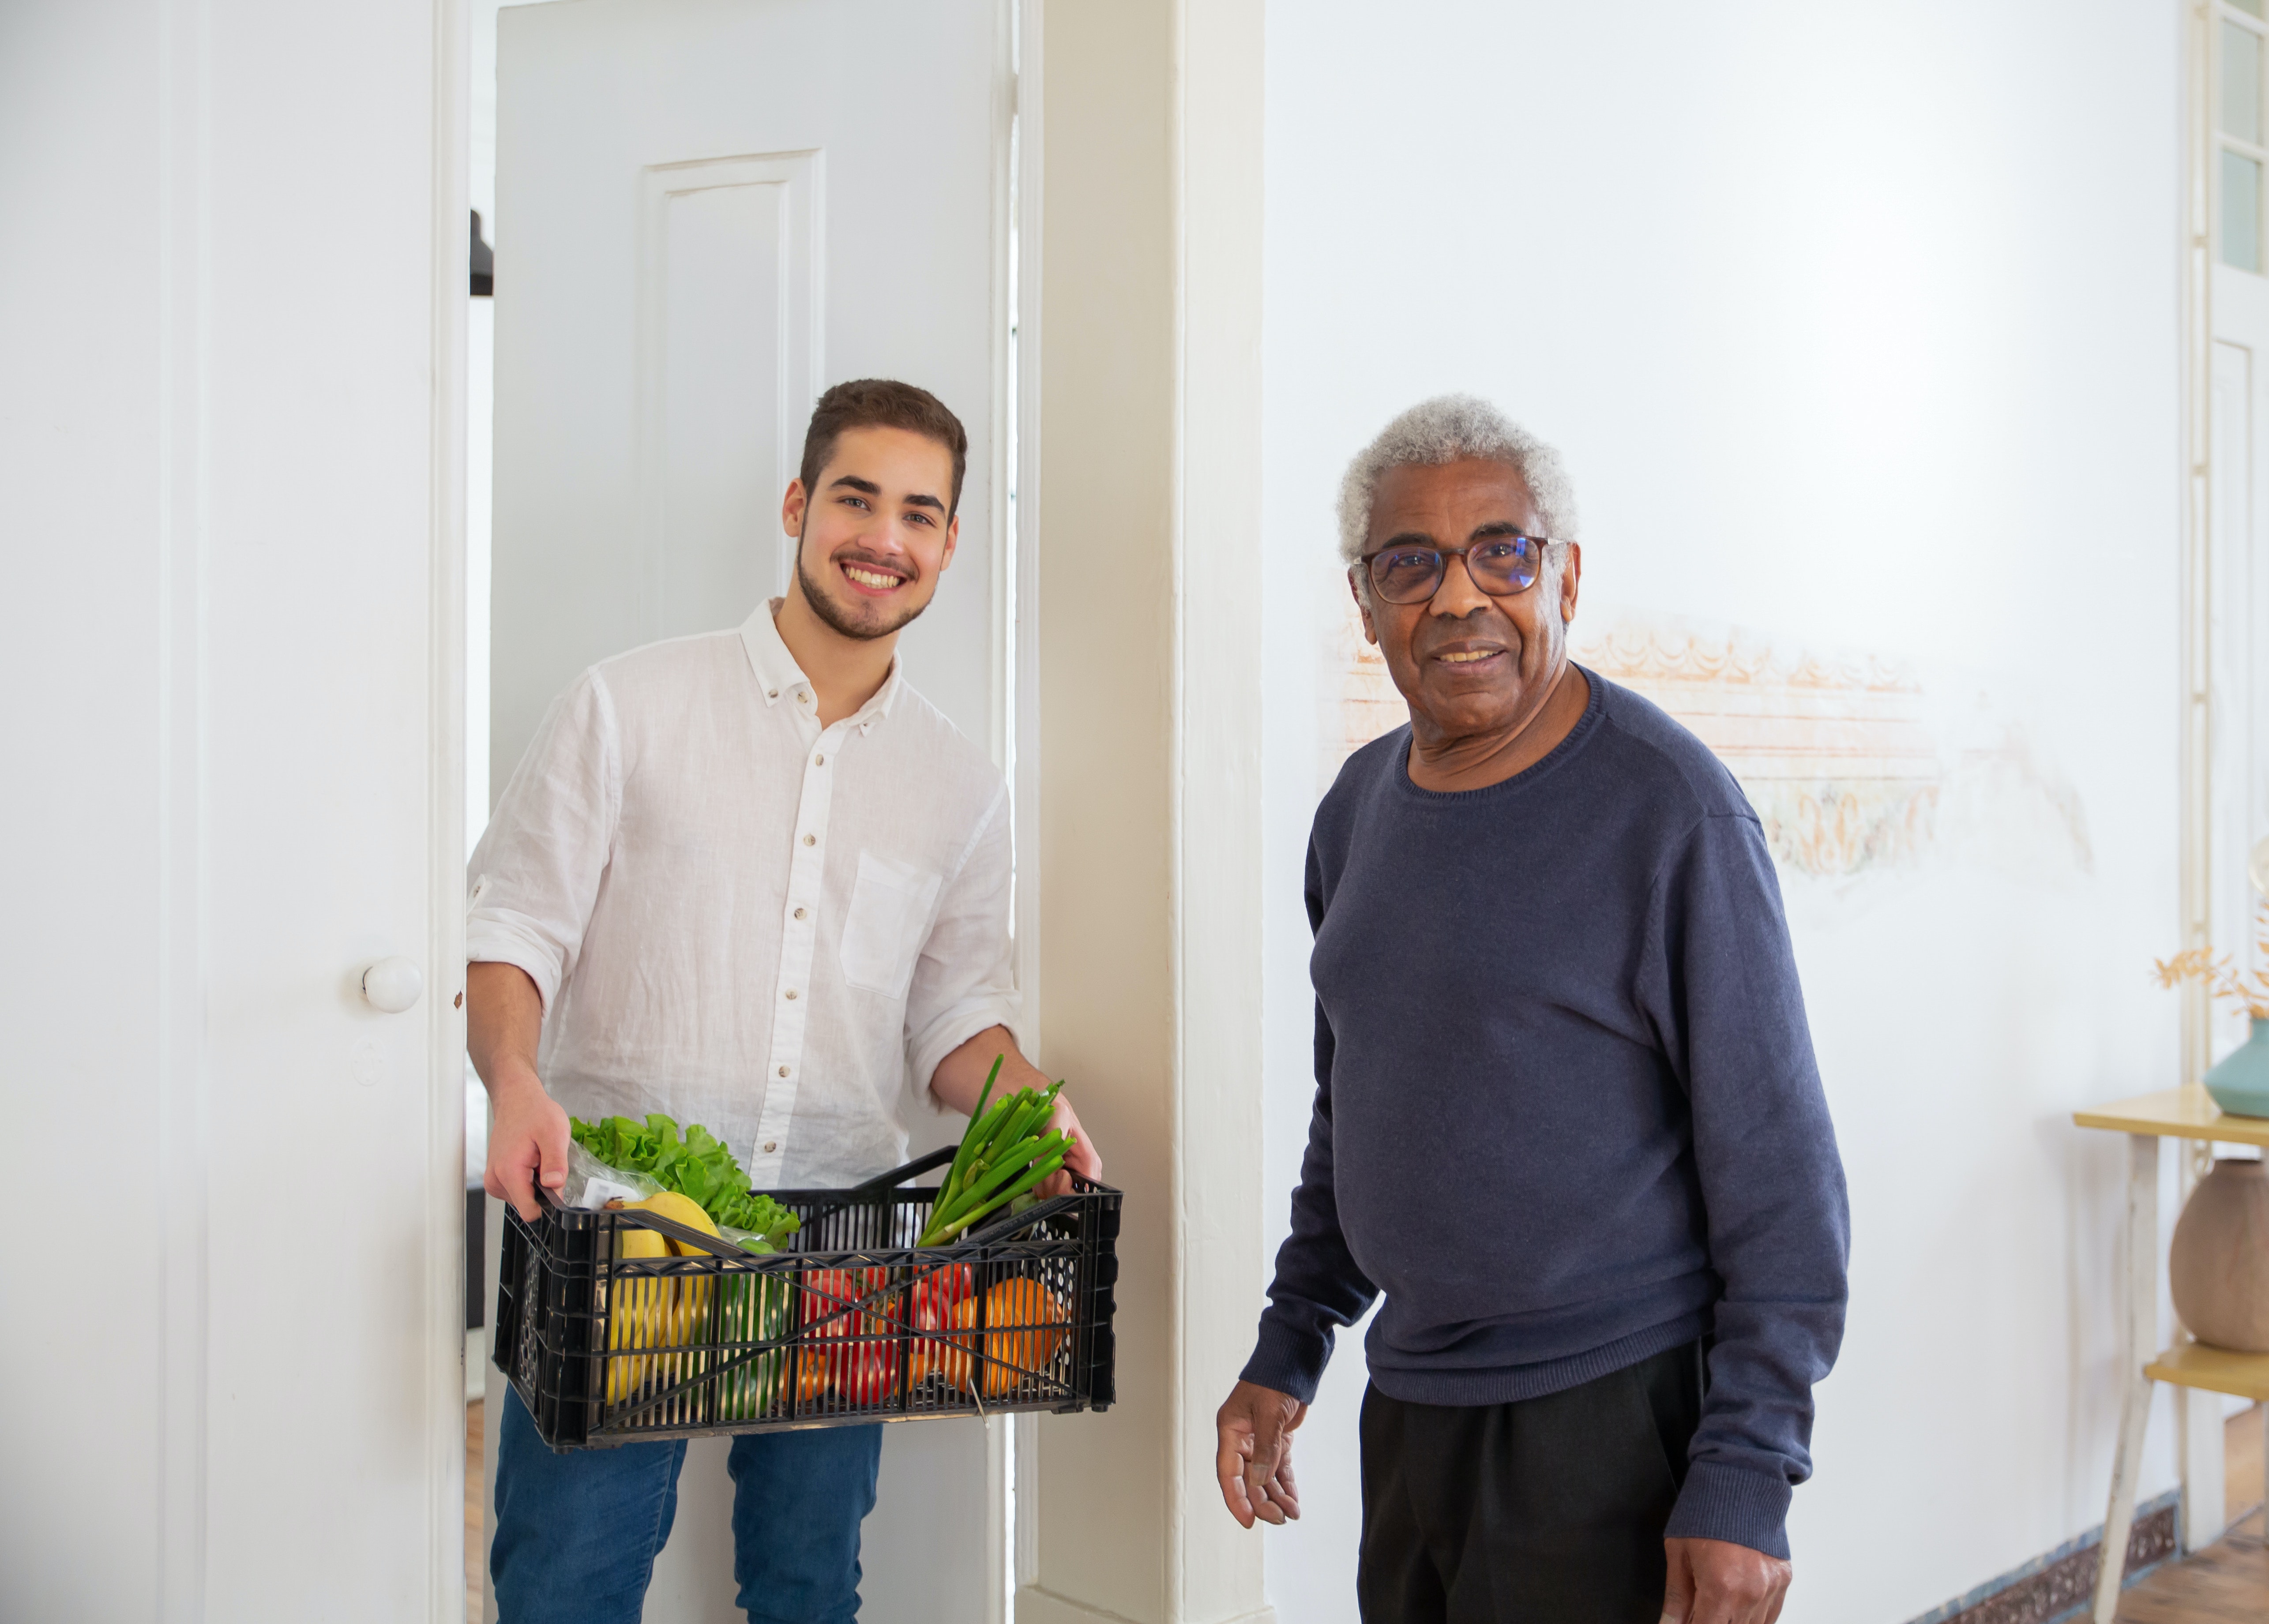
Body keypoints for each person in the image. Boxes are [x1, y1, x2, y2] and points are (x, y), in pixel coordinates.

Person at [468, 378, 1099, 1624]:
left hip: (840, 1242)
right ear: (798, 504)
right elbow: (513, 928)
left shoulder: (959, 784)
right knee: (566, 1582)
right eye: (856, 498)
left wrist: (1035, 1112)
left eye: (920, 513)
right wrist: (515, 1081)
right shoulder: (628, 704)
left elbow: (952, 1016)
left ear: (949, 544)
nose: (885, 537)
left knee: (810, 1588)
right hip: (619, 1229)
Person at [1214, 396, 1848, 1624]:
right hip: (1412, 1411)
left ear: (1562, 572)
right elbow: (1355, 1111)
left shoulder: (1669, 814)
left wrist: (1748, 1470)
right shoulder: (1354, 812)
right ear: (1365, 604)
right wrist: (1291, 1339)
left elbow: (1783, 1181)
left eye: (1499, 551)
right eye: (1410, 564)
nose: (1457, 598)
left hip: (1607, 1423)